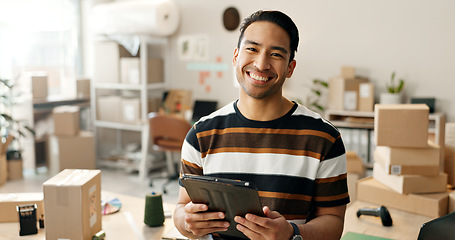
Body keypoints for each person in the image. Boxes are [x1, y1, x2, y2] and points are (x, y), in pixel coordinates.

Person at [173, 10, 349, 240]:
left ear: (290, 68)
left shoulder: (324, 138)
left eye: (275, 54)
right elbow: (181, 208)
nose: (261, 63)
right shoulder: (200, 134)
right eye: (252, 49)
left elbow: (334, 223)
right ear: (236, 56)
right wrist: (186, 221)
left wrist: (292, 234)